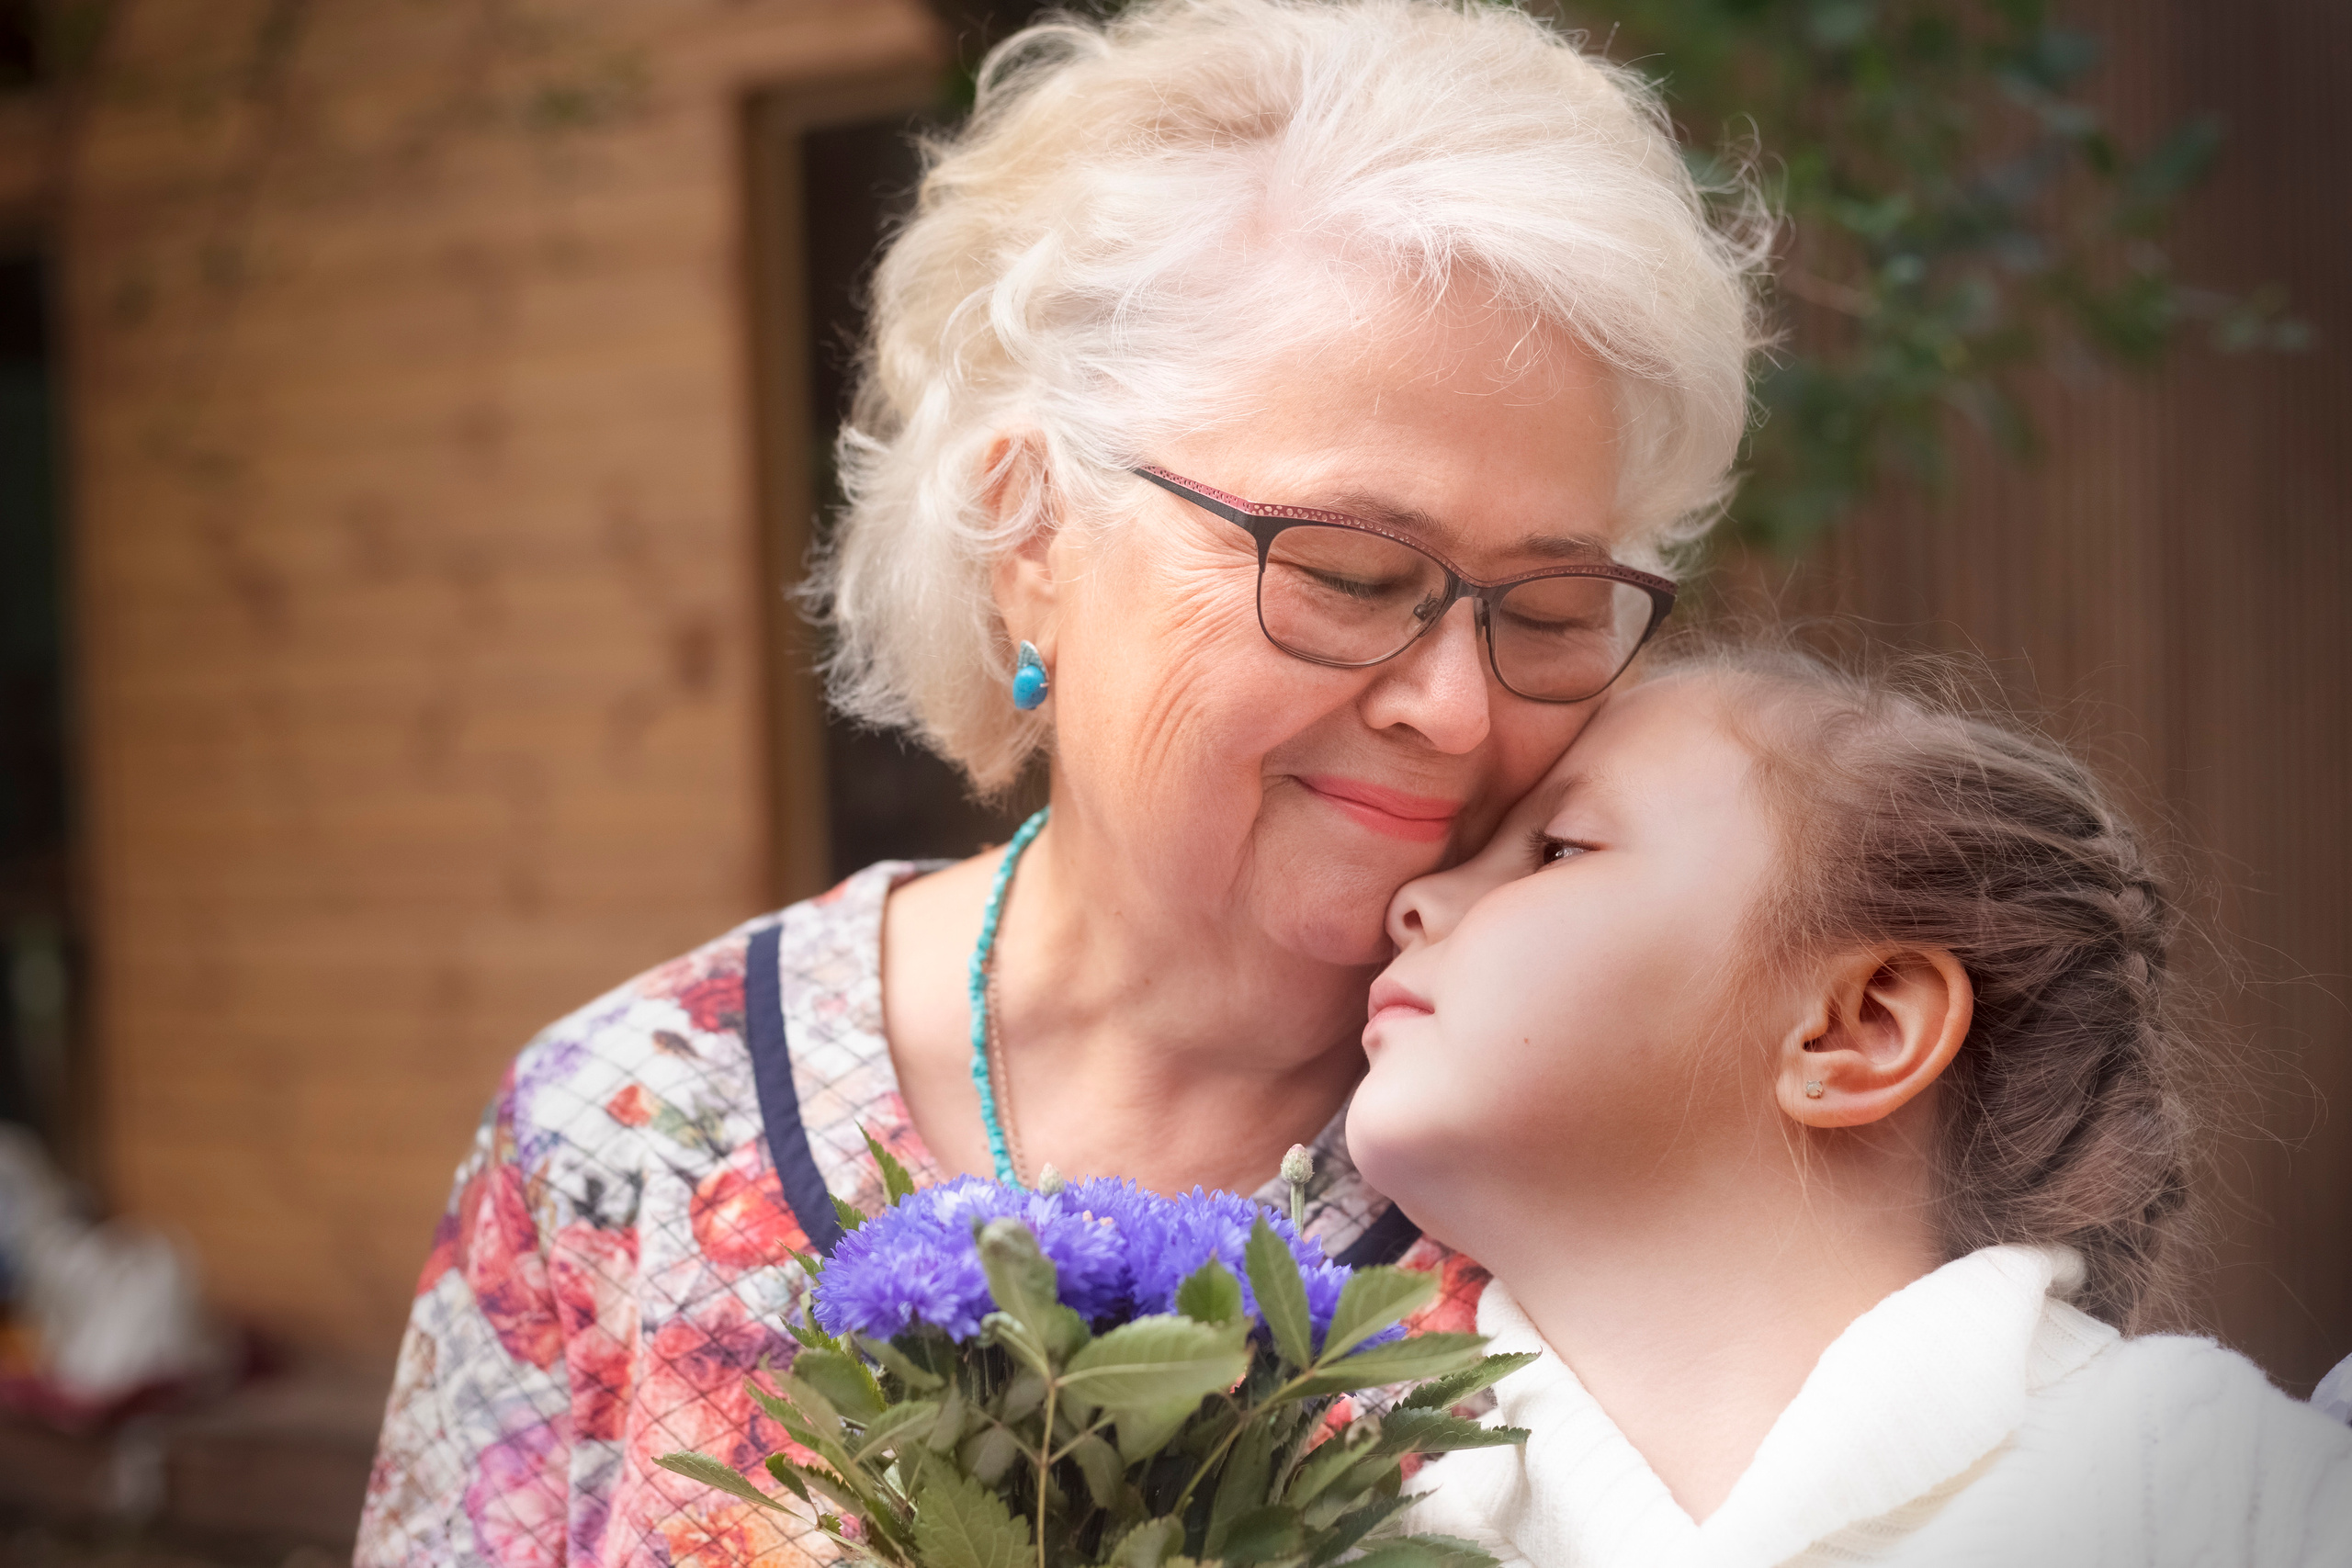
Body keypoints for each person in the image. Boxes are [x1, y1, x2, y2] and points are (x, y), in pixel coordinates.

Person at [354, 2, 1764, 1562]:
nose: (1454, 701)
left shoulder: (1674, 1146)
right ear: (1030, 532)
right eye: (1355, 575)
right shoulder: (625, 1134)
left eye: (1550, 610)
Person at [1352, 644, 2352, 1566]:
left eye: (1557, 849)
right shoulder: (1361, 1532)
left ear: (1856, 1027)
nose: (1415, 899)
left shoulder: (2218, 1497)